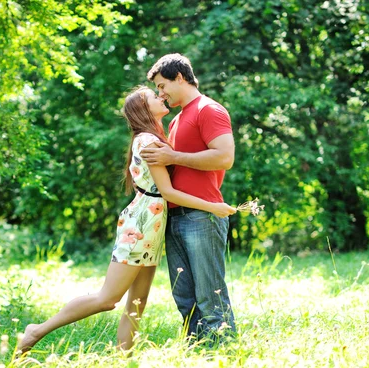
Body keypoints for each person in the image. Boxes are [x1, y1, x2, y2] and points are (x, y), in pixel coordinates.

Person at [18, 86, 236, 354]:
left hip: (152, 226)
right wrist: (213, 206)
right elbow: (167, 192)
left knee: (137, 302)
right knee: (108, 299)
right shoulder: (148, 142)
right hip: (141, 225)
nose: (161, 96)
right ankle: (37, 330)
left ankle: (124, 361)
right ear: (144, 109)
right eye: (154, 96)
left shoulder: (155, 137)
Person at [142, 53, 237, 343]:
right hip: (176, 216)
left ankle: (224, 351)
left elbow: (225, 157)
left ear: (180, 77)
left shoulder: (209, 109)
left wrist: (173, 156)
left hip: (202, 216)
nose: (161, 93)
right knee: (184, 296)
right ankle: (197, 349)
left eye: (161, 86)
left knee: (211, 295)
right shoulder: (178, 119)